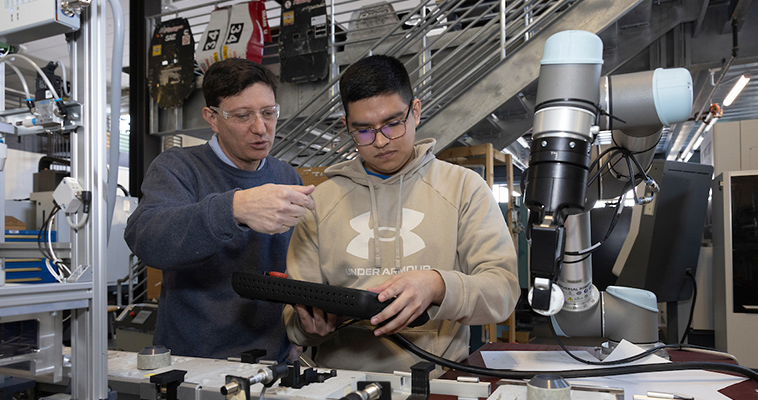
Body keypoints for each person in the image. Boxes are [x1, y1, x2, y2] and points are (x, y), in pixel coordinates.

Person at [282, 55, 520, 375]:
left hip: (437, 381)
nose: (381, 141)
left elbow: (503, 291)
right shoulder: (320, 203)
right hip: (338, 383)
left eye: (393, 123)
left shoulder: (464, 188)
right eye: (363, 131)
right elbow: (293, 317)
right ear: (346, 127)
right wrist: (310, 325)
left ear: (416, 111)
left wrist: (437, 285)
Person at [125, 58, 315, 360]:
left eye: (269, 113)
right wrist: (233, 209)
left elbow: (298, 264)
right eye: (242, 116)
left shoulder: (285, 176)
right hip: (193, 362)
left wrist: (299, 330)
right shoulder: (179, 168)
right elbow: (146, 238)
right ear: (212, 118)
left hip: (273, 360)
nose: (260, 128)